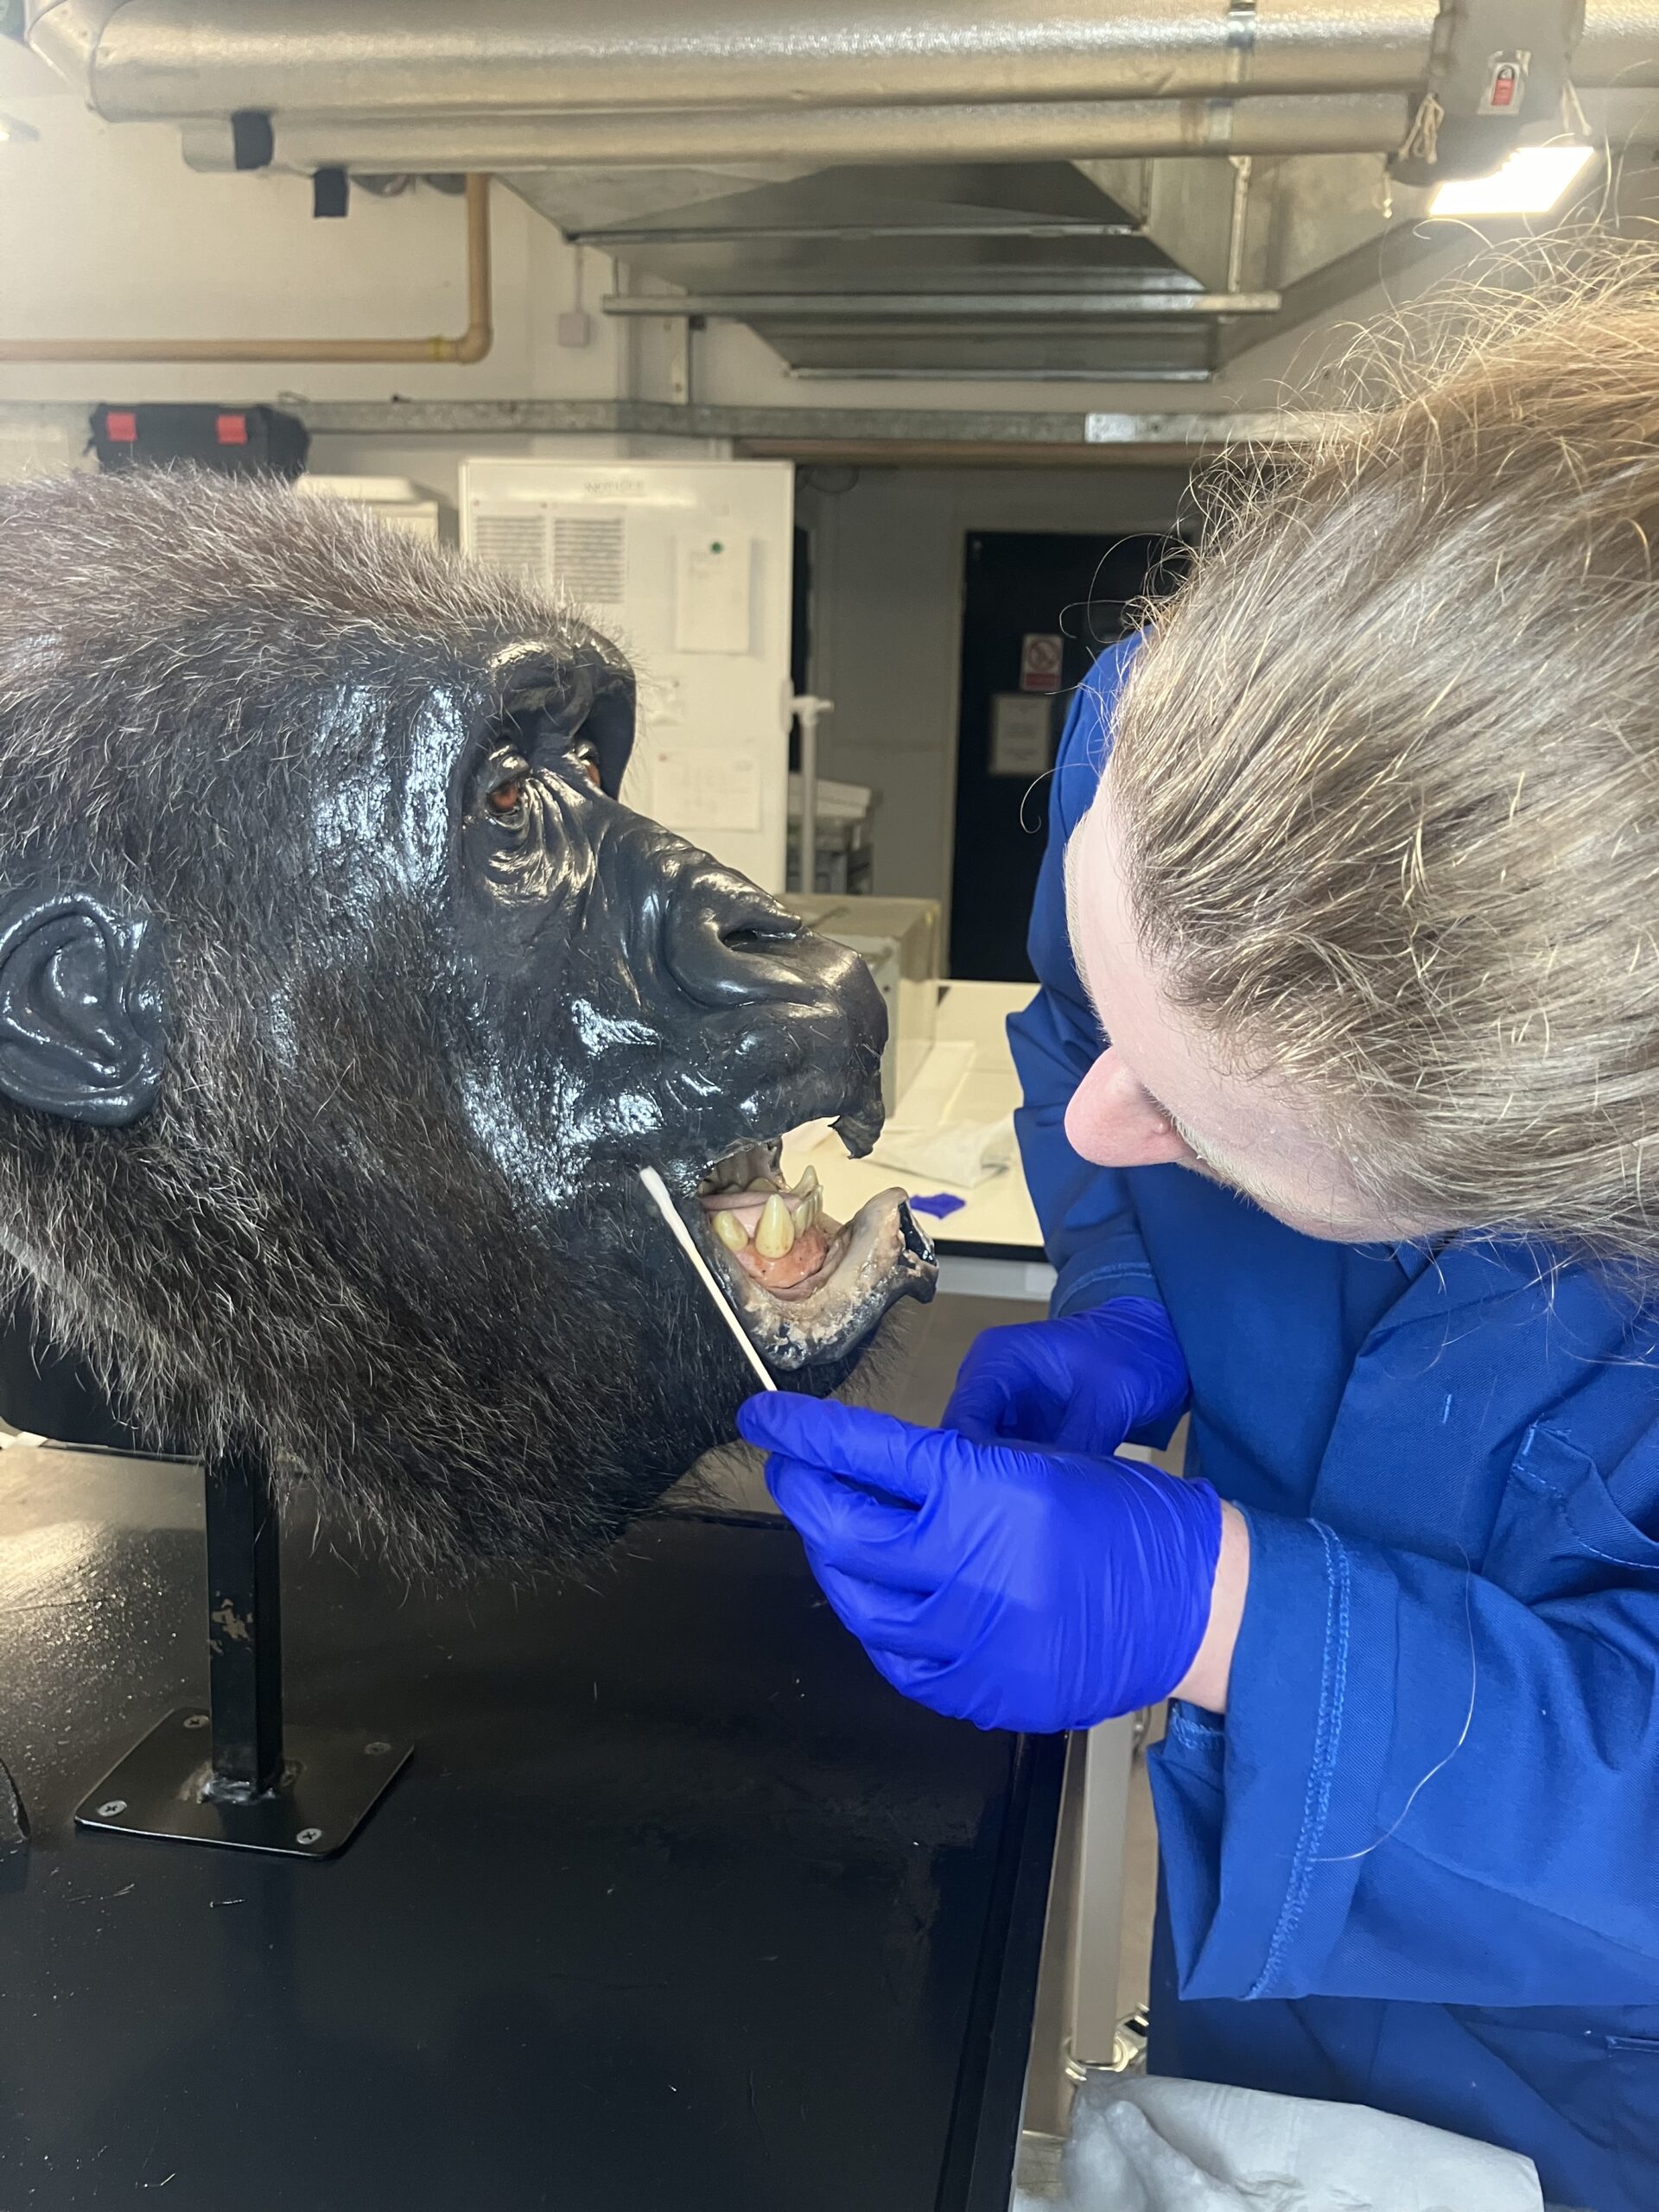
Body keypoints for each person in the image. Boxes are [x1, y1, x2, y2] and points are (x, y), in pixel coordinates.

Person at [740, 257, 1659, 2212]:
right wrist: (1141, 1284)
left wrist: (1223, 1608)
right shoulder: (1185, 732)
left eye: (1217, 1140)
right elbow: (1088, 1038)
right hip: (1261, 1976)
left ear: (1565, 1181)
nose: (1086, 1130)